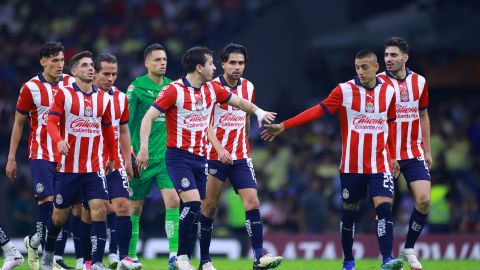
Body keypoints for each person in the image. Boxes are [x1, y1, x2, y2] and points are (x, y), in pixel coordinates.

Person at [261, 50, 404, 270]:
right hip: (351, 165)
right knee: (349, 213)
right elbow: (318, 111)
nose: (360, 71)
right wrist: (284, 125)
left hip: (380, 163)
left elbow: (392, 123)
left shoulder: (389, 90)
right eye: (357, 67)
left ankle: (387, 259)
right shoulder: (344, 90)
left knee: (384, 208)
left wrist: (394, 155)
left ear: (377, 67)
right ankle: (348, 260)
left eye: (365, 67)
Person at [136, 46, 276, 270]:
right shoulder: (174, 90)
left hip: (201, 158)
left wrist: (258, 112)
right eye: (211, 64)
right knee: (192, 205)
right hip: (178, 157)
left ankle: (198, 259)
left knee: (199, 208)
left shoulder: (211, 90)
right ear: (199, 67)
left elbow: (239, 103)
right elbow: (148, 117)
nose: (214, 68)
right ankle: (182, 256)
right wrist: (143, 148)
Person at [198, 43, 283, 270]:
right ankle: (205, 260)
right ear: (222, 63)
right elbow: (205, 125)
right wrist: (221, 148)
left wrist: (243, 140)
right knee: (209, 207)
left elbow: (245, 115)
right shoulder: (211, 87)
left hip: (241, 156)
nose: (237, 67)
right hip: (215, 155)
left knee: (252, 201)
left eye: (241, 63)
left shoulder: (249, 87)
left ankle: (258, 257)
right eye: (232, 62)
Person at [6, 41, 81, 270]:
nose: (60, 65)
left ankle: (36, 243)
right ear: (43, 62)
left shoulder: (71, 82)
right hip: (40, 151)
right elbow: (19, 123)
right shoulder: (30, 88)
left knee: (64, 207)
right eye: (55, 60)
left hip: (66, 154)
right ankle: (52, 257)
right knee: (47, 202)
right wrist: (11, 157)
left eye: (62, 60)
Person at [41, 50, 116, 270]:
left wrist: (111, 156)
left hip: (94, 167)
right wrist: (58, 141)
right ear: (73, 71)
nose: (90, 68)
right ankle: (48, 251)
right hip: (68, 167)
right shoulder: (63, 94)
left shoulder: (103, 97)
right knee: (59, 217)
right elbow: (51, 123)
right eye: (84, 65)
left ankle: (97, 263)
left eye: (92, 65)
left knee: (100, 209)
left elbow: (108, 129)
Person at [378, 36, 432, 270]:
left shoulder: (419, 82)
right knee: (384, 207)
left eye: (393, 55)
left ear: (405, 57)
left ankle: (408, 248)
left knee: (424, 200)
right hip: (386, 153)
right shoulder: (378, 82)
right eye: (386, 55)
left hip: (412, 151)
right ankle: (387, 258)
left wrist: (427, 148)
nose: (388, 59)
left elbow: (423, 115)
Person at [126, 43, 180, 269]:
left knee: (174, 200)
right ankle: (130, 255)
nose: (163, 63)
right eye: (157, 60)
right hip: (140, 157)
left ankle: (174, 255)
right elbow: (125, 122)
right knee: (134, 208)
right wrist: (129, 149)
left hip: (165, 158)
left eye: (165, 59)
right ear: (147, 63)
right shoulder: (136, 88)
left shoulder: (173, 88)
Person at [91, 53, 139, 269]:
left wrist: (128, 159)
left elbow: (124, 129)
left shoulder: (120, 98)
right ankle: (90, 260)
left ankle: (123, 258)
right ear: (94, 73)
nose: (110, 78)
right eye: (106, 74)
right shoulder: (82, 97)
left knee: (122, 205)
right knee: (93, 210)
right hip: (88, 161)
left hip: (115, 160)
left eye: (114, 74)